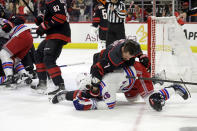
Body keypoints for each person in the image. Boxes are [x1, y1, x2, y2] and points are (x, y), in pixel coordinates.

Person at [50, 61, 190, 111]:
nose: (87, 92)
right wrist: (63, 95)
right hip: (128, 83)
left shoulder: (105, 86)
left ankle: (174, 88)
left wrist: (91, 104)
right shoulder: (93, 83)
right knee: (131, 99)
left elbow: (109, 105)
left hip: (137, 73)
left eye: (87, 90)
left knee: (152, 102)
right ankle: (155, 80)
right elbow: (80, 94)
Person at [31, 0, 71, 95]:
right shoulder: (51, 2)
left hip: (58, 34)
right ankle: (42, 83)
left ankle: (60, 86)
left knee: (48, 59)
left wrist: (44, 26)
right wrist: (42, 19)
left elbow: (60, 17)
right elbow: (54, 15)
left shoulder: (53, 0)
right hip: (53, 34)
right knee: (38, 54)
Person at [0, 15, 33, 87]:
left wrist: (8, 25)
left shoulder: (4, 20)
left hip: (20, 34)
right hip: (28, 37)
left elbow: (9, 24)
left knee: (3, 54)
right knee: (14, 60)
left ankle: (9, 77)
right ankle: (24, 75)